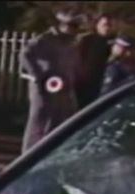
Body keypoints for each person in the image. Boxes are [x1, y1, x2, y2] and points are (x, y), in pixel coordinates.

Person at [20, 10, 80, 153]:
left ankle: (47, 151)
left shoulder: (72, 42)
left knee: (58, 119)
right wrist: (37, 74)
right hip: (44, 85)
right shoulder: (44, 39)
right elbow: (25, 54)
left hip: (63, 86)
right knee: (39, 119)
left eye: (76, 26)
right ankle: (28, 152)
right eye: (71, 25)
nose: (74, 29)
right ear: (62, 25)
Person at [75, 14, 115, 107]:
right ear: (97, 25)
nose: (107, 28)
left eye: (110, 25)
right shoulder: (86, 40)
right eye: (105, 25)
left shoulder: (113, 42)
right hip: (83, 82)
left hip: (101, 81)